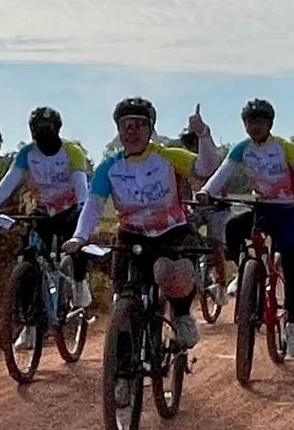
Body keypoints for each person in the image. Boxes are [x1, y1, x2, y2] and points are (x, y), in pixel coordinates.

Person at [62, 97, 219, 376]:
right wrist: (79, 237)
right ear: (119, 130)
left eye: (139, 125)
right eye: (126, 126)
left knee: (177, 274)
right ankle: (122, 372)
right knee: (123, 301)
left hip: (172, 232)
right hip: (131, 235)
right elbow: (94, 205)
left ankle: (181, 314)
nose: (132, 131)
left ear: (150, 129)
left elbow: (206, 167)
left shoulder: (168, 157)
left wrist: (202, 134)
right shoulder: (109, 168)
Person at [198, 98, 294, 358]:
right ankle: (244, 272)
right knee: (233, 227)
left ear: (269, 123)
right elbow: (224, 171)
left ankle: (293, 329)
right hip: (262, 208)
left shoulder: (285, 147)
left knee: (290, 265)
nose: (255, 127)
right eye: (250, 122)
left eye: (260, 121)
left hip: (288, 211)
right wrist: (207, 191)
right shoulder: (242, 148)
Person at [0, 106, 93, 349]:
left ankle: (80, 283)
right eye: (37, 130)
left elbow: (81, 182)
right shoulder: (27, 154)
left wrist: (83, 207)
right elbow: (11, 178)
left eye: (46, 130)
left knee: (76, 245)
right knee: (27, 259)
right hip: (43, 210)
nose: (42, 135)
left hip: (70, 209)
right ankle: (30, 328)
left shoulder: (71, 151)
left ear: (57, 130)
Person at [180, 115, 232, 307]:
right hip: (198, 208)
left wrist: (214, 196)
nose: (191, 147)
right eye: (188, 143)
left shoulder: (212, 159)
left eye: (193, 142)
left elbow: (222, 183)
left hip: (218, 208)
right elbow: (184, 189)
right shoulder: (186, 163)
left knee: (215, 243)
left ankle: (222, 285)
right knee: (181, 234)